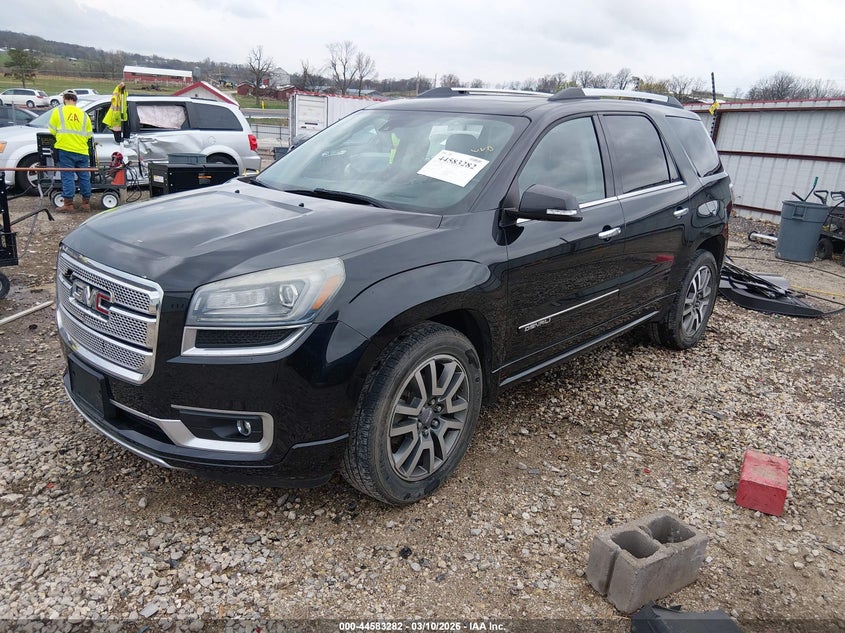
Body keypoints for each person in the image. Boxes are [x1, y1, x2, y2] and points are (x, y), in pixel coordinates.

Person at [48, 91, 93, 212]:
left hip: (66, 149)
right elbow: (89, 134)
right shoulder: (84, 114)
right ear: (75, 100)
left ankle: (68, 205)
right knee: (84, 177)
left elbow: (52, 130)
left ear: (64, 99)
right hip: (82, 150)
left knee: (67, 176)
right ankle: (86, 204)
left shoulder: (58, 111)